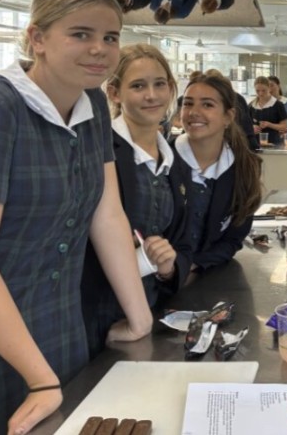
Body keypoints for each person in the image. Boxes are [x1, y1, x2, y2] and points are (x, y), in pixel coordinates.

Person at [0, 0, 152, 434]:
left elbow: (107, 213)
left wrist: (140, 318)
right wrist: (39, 380)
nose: (99, 49)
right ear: (37, 38)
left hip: (60, 328)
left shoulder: (92, 105)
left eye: (110, 37)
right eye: (80, 34)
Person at [81, 43, 192, 358]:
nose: (152, 95)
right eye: (138, 86)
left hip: (149, 312)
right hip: (95, 316)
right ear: (114, 93)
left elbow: (182, 242)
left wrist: (168, 268)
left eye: (160, 84)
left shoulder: (175, 164)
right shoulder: (98, 153)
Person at [172, 69, 262, 280]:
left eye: (207, 105)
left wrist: (192, 265)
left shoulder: (244, 168)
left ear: (228, 116)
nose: (194, 112)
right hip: (154, 281)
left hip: (207, 279)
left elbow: (233, 239)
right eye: (188, 103)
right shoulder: (161, 162)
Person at [249, 75, 287, 146]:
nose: (260, 93)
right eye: (257, 91)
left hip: (274, 143)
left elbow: (284, 126)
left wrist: (269, 124)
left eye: (263, 90)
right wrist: (252, 128)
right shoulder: (251, 105)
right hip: (255, 143)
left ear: (269, 88)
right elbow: (245, 124)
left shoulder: (278, 105)